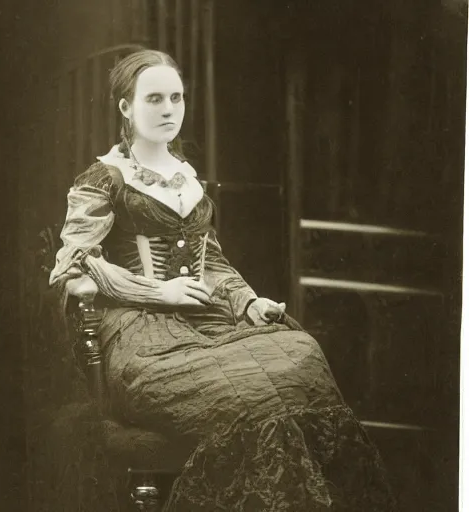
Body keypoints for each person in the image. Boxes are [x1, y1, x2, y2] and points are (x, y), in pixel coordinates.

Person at [49, 48, 395, 511]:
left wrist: (247, 303)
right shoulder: (104, 178)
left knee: (301, 353)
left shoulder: (187, 178)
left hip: (207, 320)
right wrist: (158, 291)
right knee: (252, 392)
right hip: (141, 341)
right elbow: (74, 265)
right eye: (154, 99)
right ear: (126, 107)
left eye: (176, 97)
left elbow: (210, 260)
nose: (169, 109)